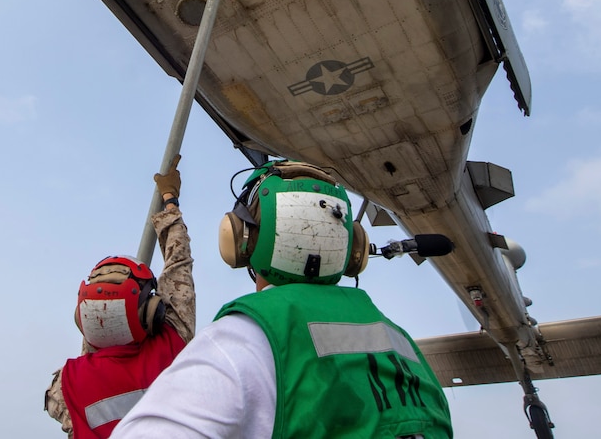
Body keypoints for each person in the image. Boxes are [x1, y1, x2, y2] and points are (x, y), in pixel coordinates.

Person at [112, 160, 452, 439]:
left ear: (242, 241)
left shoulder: (245, 340)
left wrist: (170, 199)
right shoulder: (405, 349)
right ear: (353, 249)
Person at [44, 156, 194, 438]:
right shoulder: (172, 346)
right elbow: (179, 264)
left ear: (83, 317)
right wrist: (169, 199)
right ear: (150, 312)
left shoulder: (66, 384)